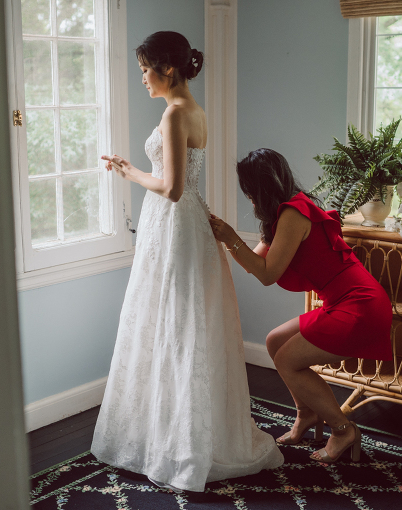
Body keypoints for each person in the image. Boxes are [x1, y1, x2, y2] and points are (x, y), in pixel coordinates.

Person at [91, 32, 283, 492]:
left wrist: (127, 171)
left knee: (172, 323)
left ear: (168, 70)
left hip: (174, 222)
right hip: (183, 224)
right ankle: (174, 431)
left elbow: (172, 188)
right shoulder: (194, 110)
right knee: (181, 323)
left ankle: (178, 443)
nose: (142, 79)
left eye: (144, 69)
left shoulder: (176, 113)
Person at [209, 148, 393, 464]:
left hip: (360, 305)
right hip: (343, 300)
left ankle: (342, 429)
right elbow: (253, 262)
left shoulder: (294, 214)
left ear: (261, 188)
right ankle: (307, 414)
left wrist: (230, 236)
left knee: (288, 360)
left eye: (250, 191)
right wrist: (227, 240)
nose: (249, 199)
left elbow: (266, 274)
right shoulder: (283, 214)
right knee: (274, 341)